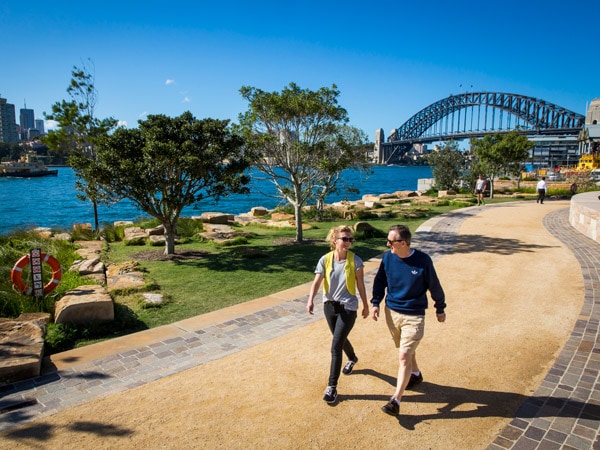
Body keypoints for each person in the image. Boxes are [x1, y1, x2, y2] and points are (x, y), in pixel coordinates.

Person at [371, 224, 446, 416]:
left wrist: (440, 308)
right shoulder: (388, 257)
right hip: (392, 313)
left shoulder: (422, 261)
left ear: (403, 243)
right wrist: (375, 303)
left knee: (403, 356)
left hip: (414, 315)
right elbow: (380, 281)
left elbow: (434, 285)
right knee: (406, 350)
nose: (387, 244)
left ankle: (395, 400)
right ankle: (416, 374)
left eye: (390, 241)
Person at [307, 225, 369, 403]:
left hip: (348, 308)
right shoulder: (325, 260)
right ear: (335, 241)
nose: (348, 242)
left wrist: (365, 304)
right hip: (329, 307)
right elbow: (317, 282)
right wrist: (310, 300)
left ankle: (331, 387)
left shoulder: (355, 260)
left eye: (350, 239)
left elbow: (360, 285)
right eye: (345, 239)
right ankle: (353, 358)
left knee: (335, 346)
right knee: (339, 338)